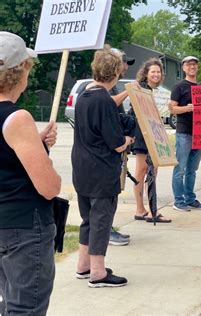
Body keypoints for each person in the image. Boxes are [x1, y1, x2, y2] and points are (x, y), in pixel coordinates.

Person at [0, 31, 61, 315]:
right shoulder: (17, 118)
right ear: (19, 71)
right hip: (23, 227)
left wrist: (33, 141)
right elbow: (49, 187)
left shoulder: (16, 124)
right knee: (25, 309)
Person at [72, 46, 134, 287]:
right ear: (117, 72)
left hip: (81, 166)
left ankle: (83, 265)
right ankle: (98, 272)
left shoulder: (84, 96)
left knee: (88, 218)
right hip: (101, 170)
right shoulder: (104, 101)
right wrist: (129, 139)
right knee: (101, 221)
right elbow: (117, 143)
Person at [131, 58, 171, 223]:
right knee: (141, 170)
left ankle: (151, 208)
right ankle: (140, 209)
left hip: (154, 133)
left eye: (158, 71)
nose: (156, 74)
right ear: (146, 73)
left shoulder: (159, 92)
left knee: (153, 171)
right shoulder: (140, 89)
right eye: (153, 71)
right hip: (142, 133)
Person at [168, 56, 201, 211]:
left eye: (195, 64)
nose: (192, 66)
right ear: (183, 68)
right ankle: (178, 201)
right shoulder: (179, 87)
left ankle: (190, 198)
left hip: (200, 133)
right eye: (189, 64)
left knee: (192, 170)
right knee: (180, 169)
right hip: (184, 133)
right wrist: (187, 108)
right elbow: (172, 109)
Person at [108, 48, 135, 246]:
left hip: (117, 145)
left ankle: (108, 227)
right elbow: (107, 105)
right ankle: (106, 231)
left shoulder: (114, 85)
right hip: (108, 149)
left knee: (114, 189)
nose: (126, 66)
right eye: (124, 62)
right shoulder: (103, 88)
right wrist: (130, 91)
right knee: (107, 193)